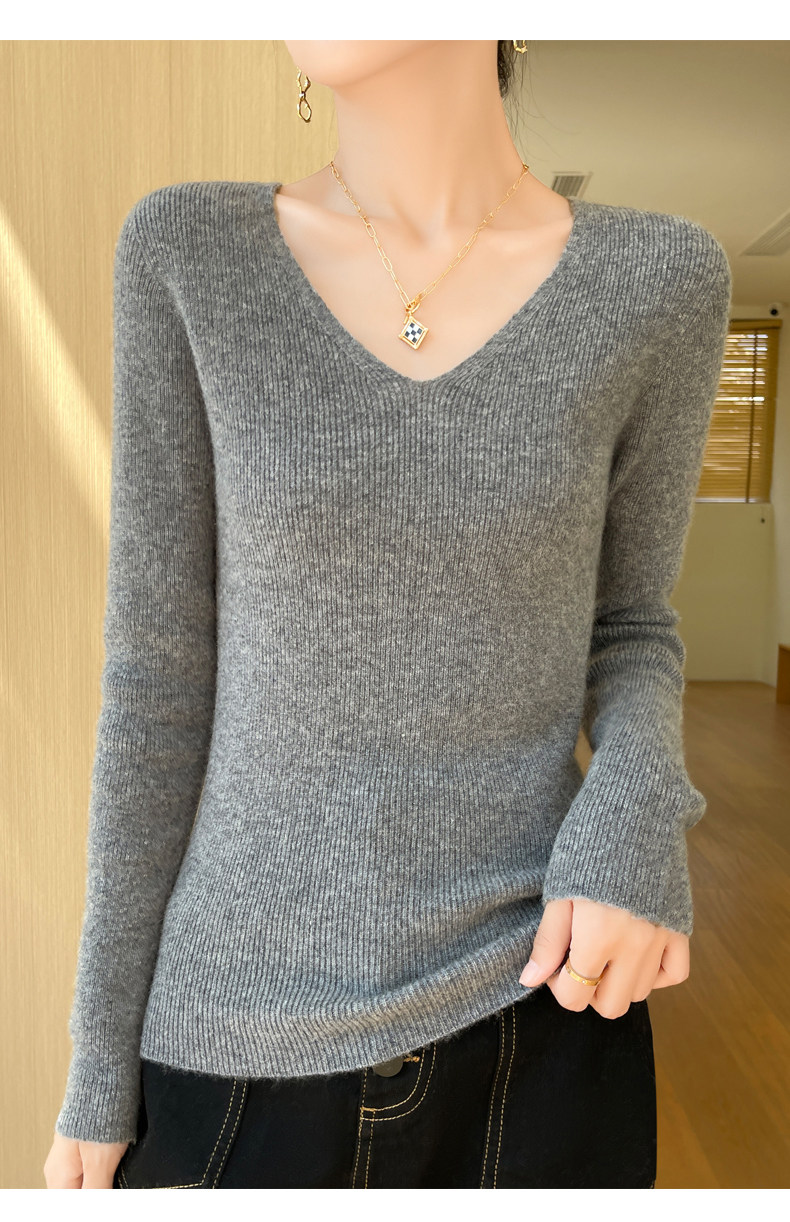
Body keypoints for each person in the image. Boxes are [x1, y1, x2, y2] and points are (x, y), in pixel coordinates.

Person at [44, 39, 731, 1189]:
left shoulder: (659, 281)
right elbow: (157, 685)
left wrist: (634, 808)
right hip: (234, 1044)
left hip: (540, 1014)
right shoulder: (188, 251)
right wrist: (98, 1071)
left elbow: (628, 623)